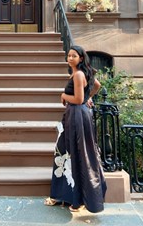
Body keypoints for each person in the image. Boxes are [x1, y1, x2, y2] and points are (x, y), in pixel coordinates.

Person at [44, 45, 107, 213]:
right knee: (67, 151)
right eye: (69, 55)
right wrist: (88, 97)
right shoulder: (79, 73)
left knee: (76, 153)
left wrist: (65, 96)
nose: (70, 58)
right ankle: (67, 195)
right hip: (76, 115)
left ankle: (77, 200)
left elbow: (78, 100)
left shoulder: (79, 74)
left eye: (74, 56)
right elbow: (97, 85)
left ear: (81, 58)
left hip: (77, 115)